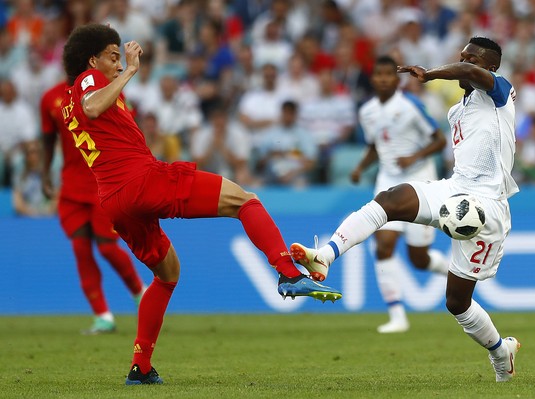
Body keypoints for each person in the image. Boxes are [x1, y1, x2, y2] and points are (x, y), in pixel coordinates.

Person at [60, 23, 341, 385]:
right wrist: (130, 70)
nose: (118, 64)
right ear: (91, 60)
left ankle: (140, 366)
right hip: (142, 182)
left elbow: (100, 120)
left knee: (167, 274)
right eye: (112, 57)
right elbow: (93, 106)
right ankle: (288, 274)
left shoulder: (67, 101)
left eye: (120, 59)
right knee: (245, 200)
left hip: (115, 201)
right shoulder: (88, 82)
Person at [291, 37, 521, 382]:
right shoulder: (457, 109)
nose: (462, 61)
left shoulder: (500, 93)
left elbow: (469, 72)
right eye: (461, 55)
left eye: (470, 58)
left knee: (457, 303)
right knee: (390, 199)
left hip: (487, 206)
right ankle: (324, 255)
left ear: (488, 67)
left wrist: (430, 74)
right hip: (455, 190)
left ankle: (500, 351)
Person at [40, 80, 147, 335]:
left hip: (105, 182)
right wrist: (45, 175)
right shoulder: (50, 98)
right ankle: (103, 316)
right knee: (80, 247)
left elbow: (130, 126)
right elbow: (47, 139)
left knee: (108, 247)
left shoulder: (107, 90)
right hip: (72, 186)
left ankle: (140, 293)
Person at [352, 55, 448, 333]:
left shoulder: (410, 106)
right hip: (387, 179)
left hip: (419, 179)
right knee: (383, 246)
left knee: (418, 259)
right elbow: (375, 146)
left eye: (387, 75)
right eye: (378, 75)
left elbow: (439, 140)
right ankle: (397, 316)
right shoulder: (366, 111)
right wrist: (360, 167)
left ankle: (451, 271)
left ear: (396, 79)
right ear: (373, 79)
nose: (382, 79)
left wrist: (413, 157)